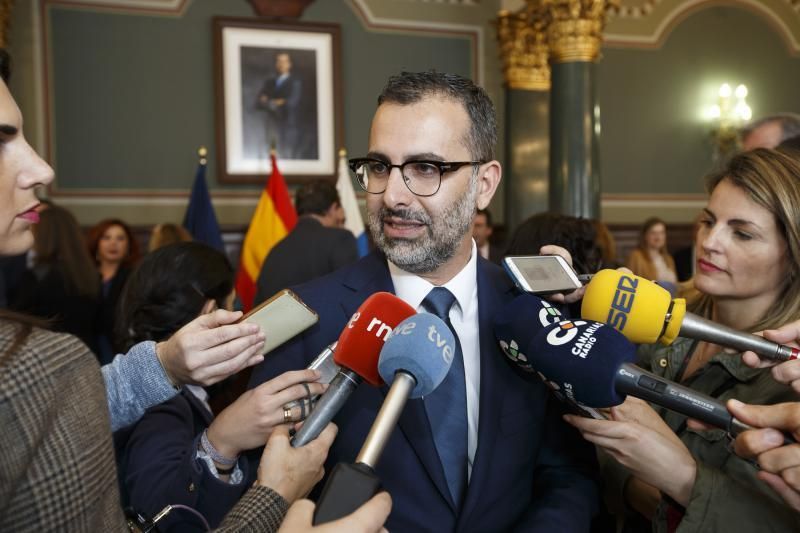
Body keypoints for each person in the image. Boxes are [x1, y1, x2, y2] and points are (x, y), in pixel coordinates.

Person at [249, 70, 599, 531]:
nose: (393, 195)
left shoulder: (535, 312)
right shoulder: (306, 318)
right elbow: (262, 493)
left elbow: (568, 474)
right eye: (379, 167)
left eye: (426, 168)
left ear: (484, 184)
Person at [566, 149, 800, 531]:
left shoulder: (789, 378)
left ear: (792, 257)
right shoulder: (657, 306)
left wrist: (677, 481)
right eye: (708, 221)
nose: (709, 241)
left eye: (741, 233)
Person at [11, 204, 100, 352]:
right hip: (85, 352)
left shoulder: (37, 276)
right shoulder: (88, 273)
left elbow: (17, 320)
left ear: (43, 234)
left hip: (49, 354)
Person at [254, 179, 358, 305]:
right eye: (342, 219)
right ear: (333, 208)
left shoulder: (275, 251)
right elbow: (352, 297)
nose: (342, 221)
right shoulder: (341, 239)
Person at [87, 217, 141, 364]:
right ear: (97, 243)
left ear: (128, 246)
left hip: (121, 349)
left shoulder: (136, 277)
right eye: (106, 237)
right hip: (86, 347)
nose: (113, 243)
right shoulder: (83, 276)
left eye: (120, 238)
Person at [257, 51, 302, 159]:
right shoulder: (269, 82)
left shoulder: (295, 83)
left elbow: (293, 102)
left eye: (284, 61)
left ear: (290, 64)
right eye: (279, 61)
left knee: (287, 154)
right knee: (271, 153)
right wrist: (276, 101)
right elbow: (260, 101)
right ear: (276, 64)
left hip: (287, 124)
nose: (281, 64)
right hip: (272, 125)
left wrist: (273, 101)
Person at [625, 217, 678, 286]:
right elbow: (627, 281)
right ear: (645, 235)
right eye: (653, 233)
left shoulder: (669, 259)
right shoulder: (636, 256)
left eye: (661, 233)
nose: (658, 237)